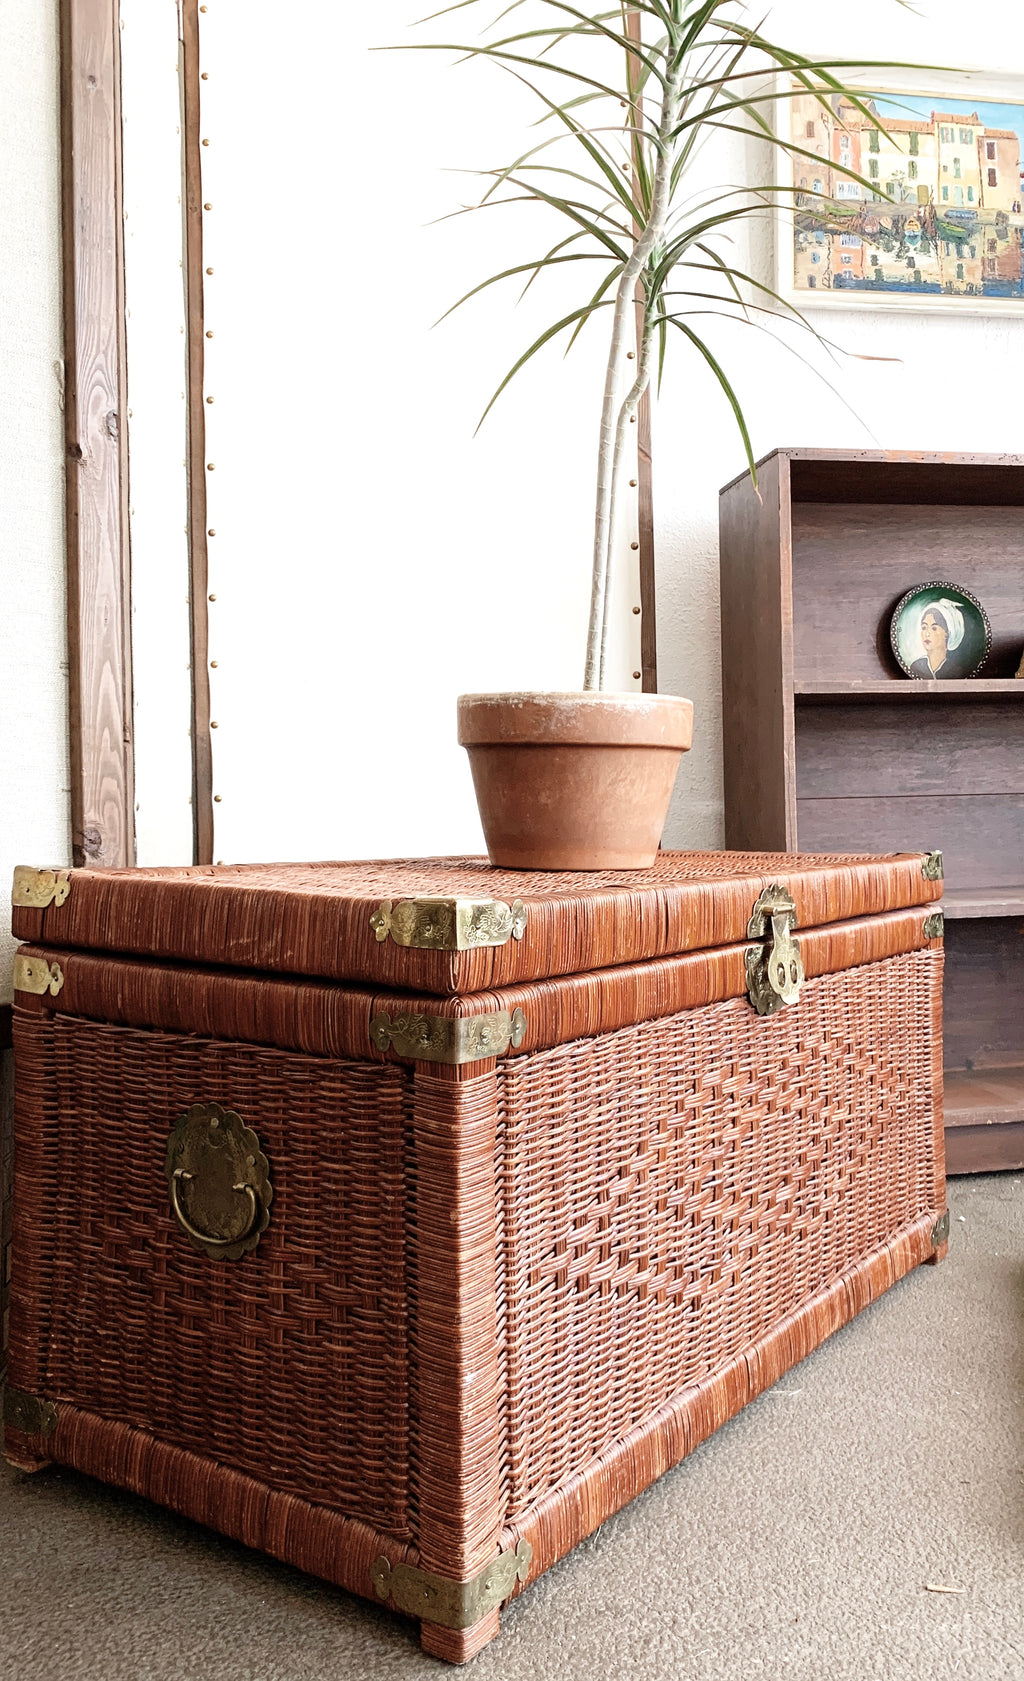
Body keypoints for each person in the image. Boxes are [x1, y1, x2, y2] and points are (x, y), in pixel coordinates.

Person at [909, 600, 972, 678]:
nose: (927, 634)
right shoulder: (915, 666)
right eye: (924, 627)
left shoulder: (956, 671)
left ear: (947, 633)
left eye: (934, 628)